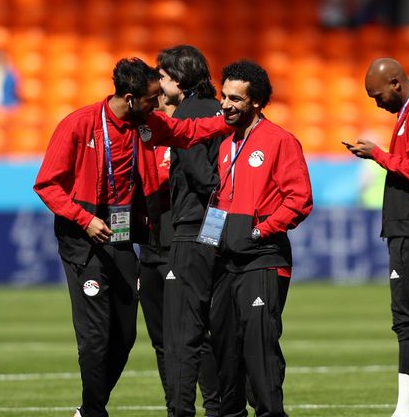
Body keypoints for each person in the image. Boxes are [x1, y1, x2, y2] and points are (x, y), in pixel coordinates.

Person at [33, 57, 234, 417]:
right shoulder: (78, 125)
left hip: (121, 236)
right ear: (129, 98)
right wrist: (84, 219)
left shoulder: (148, 124)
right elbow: (46, 184)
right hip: (84, 239)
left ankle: (89, 407)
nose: (157, 104)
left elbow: (187, 133)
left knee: (125, 336)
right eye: (151, 98)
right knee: (95, 336)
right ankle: (93, 411)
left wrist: (226, 120)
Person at [207, 60, 313, 417]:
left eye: (235, 99)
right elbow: (217, 199)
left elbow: (299, 200)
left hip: (263, 259)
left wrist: (259, 230)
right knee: (224, 349)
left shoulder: (280, 141)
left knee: (259, 349)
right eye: (224, 96)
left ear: (255, 102)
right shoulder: (222, 142)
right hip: (224, 262)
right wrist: (211, 243)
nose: (226, 104)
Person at [347, 58, 409, 417]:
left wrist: (377, 154)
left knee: (408, 315)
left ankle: (404, 410)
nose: (378, 103)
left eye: (378, 96)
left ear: (395, 82)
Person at [156, 45, 222, 417]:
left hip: (191, 227)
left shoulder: (187, 116)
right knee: (210, 325)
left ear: (178, 79)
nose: (159, 83)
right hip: (215, 226)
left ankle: (181, 411)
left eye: (163, 76)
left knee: (182, 329)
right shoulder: (220, 110)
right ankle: (217, 407)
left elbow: (201, 175)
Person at [137, 94, 173, 415]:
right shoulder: (140, 137)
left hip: (180, 246)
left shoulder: (186, 135)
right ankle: (174, 406)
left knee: (196, 337)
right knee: (160, 340)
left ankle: (218, 405)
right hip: (149, 247)